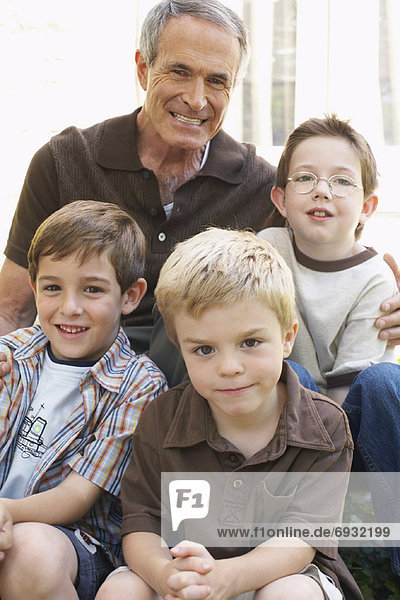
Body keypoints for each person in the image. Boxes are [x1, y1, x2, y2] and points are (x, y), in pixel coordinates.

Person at [1, 0, 400, 353]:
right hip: (79, 365)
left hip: (196, 386)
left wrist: (383, 302)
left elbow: (333, 251)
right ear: (143, 70)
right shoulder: (65, 160)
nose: (196, 99)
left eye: (216, 80)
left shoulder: (261, 187)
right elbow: (11, 308)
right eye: (179, 71)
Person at [103, 228, 362, 600]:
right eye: (204, 350)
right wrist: (164, 575)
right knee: (123, 589)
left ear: (287, 337)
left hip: (281, 574)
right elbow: (142, 523)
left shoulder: (325, 426)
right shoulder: (162, 418)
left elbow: (303, 537)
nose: (229, 367)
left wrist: (228, 578)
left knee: (290, 595)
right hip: (183, 571)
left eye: (250, 343)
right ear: (180, 348)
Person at [0, 201, 167, 600]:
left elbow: (76, 498)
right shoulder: (14, 355)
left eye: (92, 289)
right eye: (52, 287)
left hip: (75, 543)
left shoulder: (138, 384)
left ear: (130, 296)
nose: (69, 308)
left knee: (28, 552)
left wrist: (6, 513)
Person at [258, 114, 397, 404]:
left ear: (367, 207)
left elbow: (347, 388)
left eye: (342, 181)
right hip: (286, 404)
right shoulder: (267, 249)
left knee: (382, 380)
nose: (322, 191)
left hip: (351, 412)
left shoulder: (374, 279)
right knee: (289, 372)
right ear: (282, 201)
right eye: (306, 177)